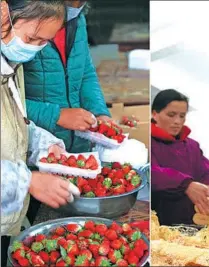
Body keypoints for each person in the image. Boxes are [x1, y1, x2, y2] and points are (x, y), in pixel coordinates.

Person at [1, 0, 79, 265]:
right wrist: (26, 181)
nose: (33, 50)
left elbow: (13, 122)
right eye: (32, 38)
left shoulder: (11, 67)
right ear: (5, 18)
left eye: (43, 42)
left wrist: (43, 143)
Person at [22, 0, 111, 224]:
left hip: (73, 150)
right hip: (33, 156)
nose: (76, 5)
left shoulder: (77, 20)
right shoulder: (24, 23)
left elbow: (86, 73)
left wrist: (100, 113)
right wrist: (58, 115)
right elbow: (9, 102)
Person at [150, 89, 209, 226]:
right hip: (161, 225)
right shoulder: (148, 141)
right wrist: (186, 185)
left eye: (182, 116)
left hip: (193, 224)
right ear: (155, 114)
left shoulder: (192, 146)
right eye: (171, 115)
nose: (177, 121)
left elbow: (208, 172)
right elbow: (151, 172)